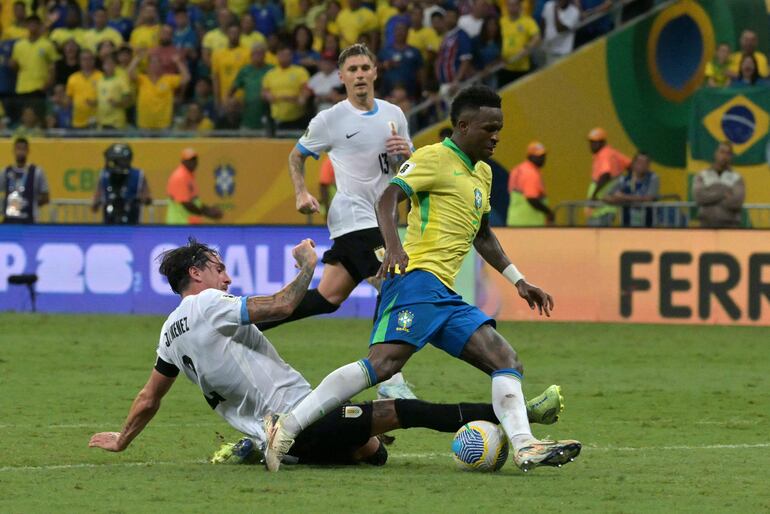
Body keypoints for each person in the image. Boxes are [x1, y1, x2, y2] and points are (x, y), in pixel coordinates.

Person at [264, 85, 582, 473]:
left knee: (505, 359)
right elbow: (386, 199)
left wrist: (518, 280)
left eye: (499, 128)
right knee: (382, 365)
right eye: (489, 128)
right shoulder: (432, 158)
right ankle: (289, 427)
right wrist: (393, 246)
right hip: (416, 279)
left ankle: (525, 446)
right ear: (463, 126)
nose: (496, 136)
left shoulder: (482, 173)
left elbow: (482, 234)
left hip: (444, 292)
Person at [87, 238, 564, 466]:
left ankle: (251, 447)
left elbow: (150, 398)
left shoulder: (169, 333)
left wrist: (122, 438)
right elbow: (284, 304)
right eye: (219, 269)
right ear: (196, 274)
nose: (227, 278)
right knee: (401, 411)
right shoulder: (211, 304)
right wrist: (308, 266)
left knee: (373, 454)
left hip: (285, 437)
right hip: (299, 419)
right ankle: (522, 414)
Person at [258, 43, 416, 400]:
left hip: (382, 218)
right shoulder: (330, 119)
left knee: (329, 297)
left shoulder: (394, 114)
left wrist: (407, 155)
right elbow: (296, 157)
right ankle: (389, 375)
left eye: (365, 68)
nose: (360, 75)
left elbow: (409, 173)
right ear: (342, 77)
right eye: (353, 70)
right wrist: (301, 193)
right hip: (355, 217)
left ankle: (253, 321)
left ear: (375, 72)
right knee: (395, 284)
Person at [9, 15, 57, 122]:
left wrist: (48, 83)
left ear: (40, 26)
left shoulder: (47, 44)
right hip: (22, 87)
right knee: (24, 120)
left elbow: (52, 67)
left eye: (35, 24)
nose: (32, 26)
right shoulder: (18, 45)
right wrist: (12, 65)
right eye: (30, 24)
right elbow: (15, 66)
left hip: (39, 88)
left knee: (39, 119)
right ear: (26, 26)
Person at [92, 143, 152, 225]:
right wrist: (98, 202)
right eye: (114, 161)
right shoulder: (105, 175)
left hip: (132, 220)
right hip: (109, 220)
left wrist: (139, 200)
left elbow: (147, 198)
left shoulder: (138, 175)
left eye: (118, 161)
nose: (116, 165)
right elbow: (95, 202)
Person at [586, 127, 631, 226]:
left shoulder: (604, 155)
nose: (592, 145)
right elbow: (630, 165)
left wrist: (594, 195)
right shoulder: (612, 153)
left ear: (602, 142)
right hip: (605, 207)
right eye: (591, 142)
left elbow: (605, 175)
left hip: (601, 208)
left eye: (595, 143)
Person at [693, 142, 745, 229]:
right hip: (706, 225)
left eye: (728, 153)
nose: (724, 156)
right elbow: (699, 197)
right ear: (716, 153)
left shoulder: (737, 178)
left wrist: (710, 194)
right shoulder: (702, 175)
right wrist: (723, 194)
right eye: (722, 152)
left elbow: (736, 202)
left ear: (731, 157)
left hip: (730, 226)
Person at [165, 147, 223, 224]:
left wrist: (208, 209)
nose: (193, 162)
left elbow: (195, 201)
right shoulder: (180, 177)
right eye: (190, 160)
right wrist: (207, 213)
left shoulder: (188, 176)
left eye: (195, 159)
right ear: (183, 161)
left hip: (188, 224)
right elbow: (186, 204)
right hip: (179, 224)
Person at [261, 43, 311, 131]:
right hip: (276, 117)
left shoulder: (300, 71)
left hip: (297, 117)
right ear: (277, 56)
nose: (284, 57)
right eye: (281, 55)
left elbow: (306, 88)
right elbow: (264, 91)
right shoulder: (270, 74)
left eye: (287, 55)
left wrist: (303, 97)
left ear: (291, 56)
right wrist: (267, 95)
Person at [1, 137, 49, 224]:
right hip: (9, 220)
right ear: (14, 150)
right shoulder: (6, 171)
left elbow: (46, 197)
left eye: (23, 149)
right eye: (18, 149)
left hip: (29, 220)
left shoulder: (36, 172)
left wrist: (31, 203)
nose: (20, 152)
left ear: (28, 151)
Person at [604, 152, 659, 227]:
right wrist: (618, 200)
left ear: (648, 166)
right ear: (634, 164)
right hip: (627, 225)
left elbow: (649, 198)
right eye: (639, 162)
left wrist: (623, 197)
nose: (642, 165)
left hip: (647, 225)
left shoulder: (653, 178)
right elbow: (606, 197)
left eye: (645, 163)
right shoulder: (624, 180)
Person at [507, 141, 553, 226]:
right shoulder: (530, 173)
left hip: (514, 219)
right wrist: (548, 212)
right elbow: (532, 198)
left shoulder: (518, 169)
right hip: (529, 222)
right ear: (530, 156)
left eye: (543, 156)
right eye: (539, 156)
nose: (543, 159)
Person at [499, 0, 540, 86]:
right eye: (510, 5)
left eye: (514, 5)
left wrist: (527, 48)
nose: (512, 8)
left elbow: (536, 37)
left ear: (519, 6)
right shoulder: (502, 21)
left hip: (522, 67)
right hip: (505, 67)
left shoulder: (528, 21)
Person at [65, 50, 102, 129]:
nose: (87, 62)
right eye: (84, 59)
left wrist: (98, 102)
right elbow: (68, 100)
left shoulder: (101, 77)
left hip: (97, 122)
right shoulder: (73, 78)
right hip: (77, 122)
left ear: (94, 61)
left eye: (90, 59)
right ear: (79, 61)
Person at [541, 0, 580, 65]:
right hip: (549, 51)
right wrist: (543, 40)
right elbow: (543, 23)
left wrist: (555, 10)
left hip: (563, 53)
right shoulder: (548, 5)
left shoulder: (574, 12)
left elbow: (559, 29)